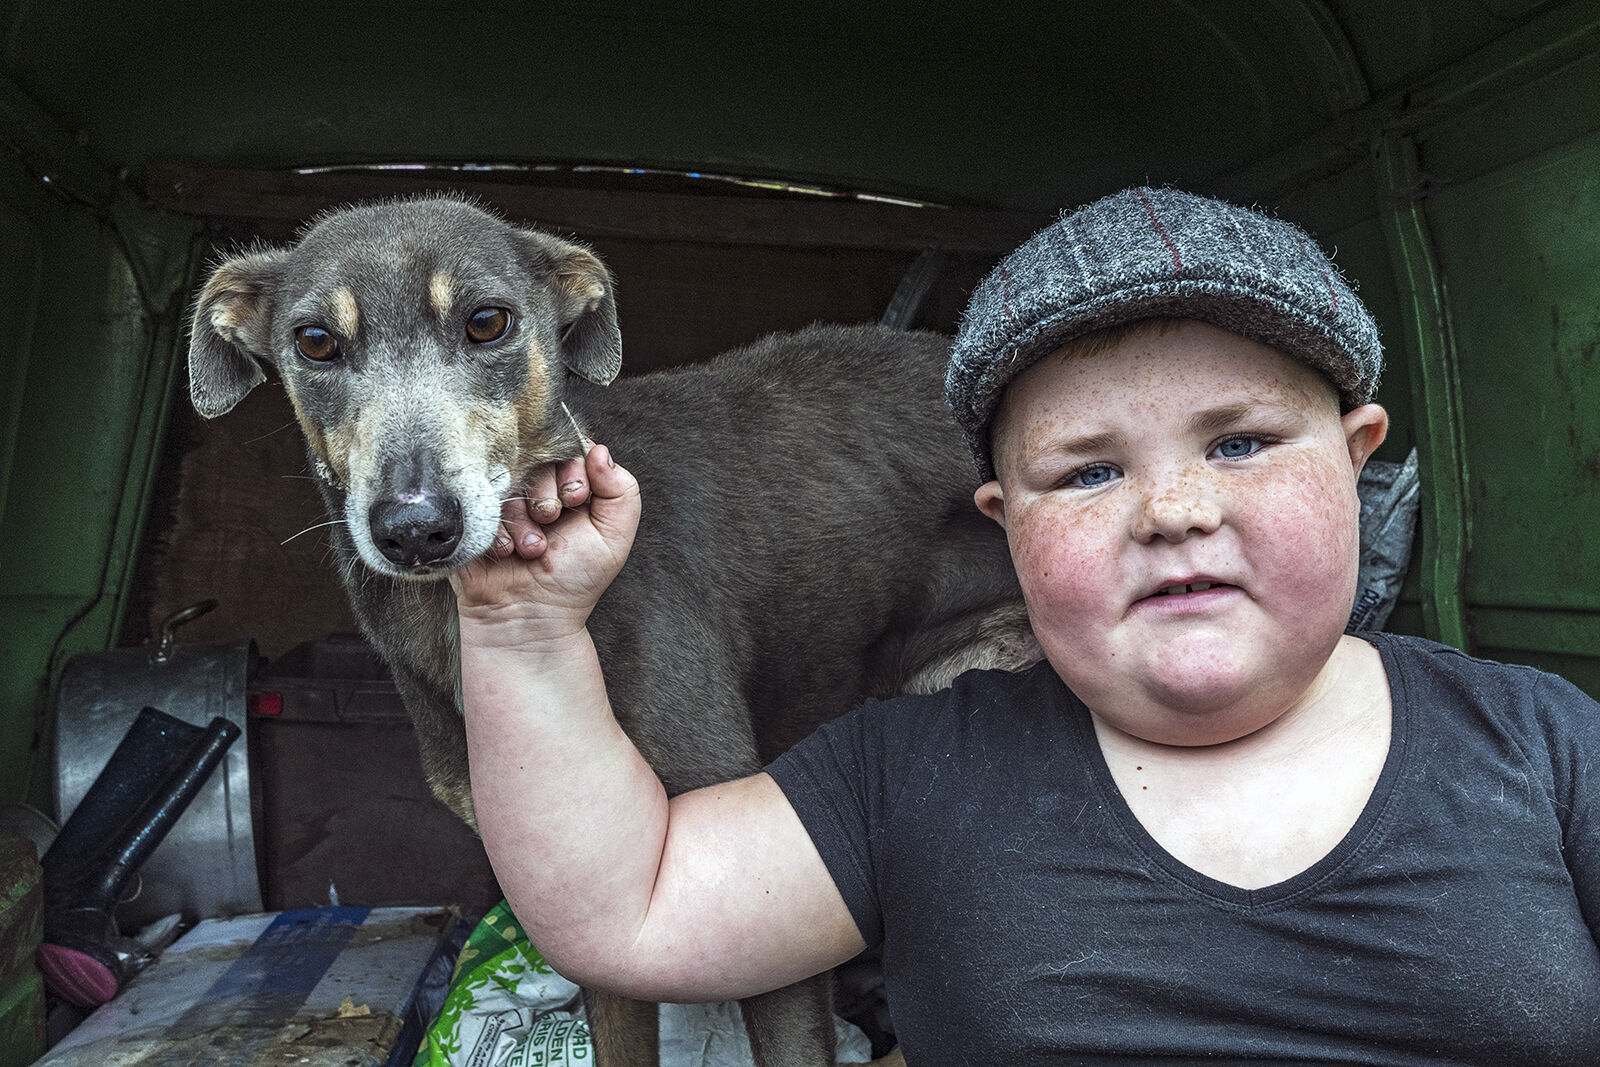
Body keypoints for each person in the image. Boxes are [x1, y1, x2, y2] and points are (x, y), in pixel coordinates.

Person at [451, 187, 1600, 1064]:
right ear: (1000, 524)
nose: (1175, 510)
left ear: (1356, 463)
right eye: (1088, 471)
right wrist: (523, 631)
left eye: (1240, 442)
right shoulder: (913, 769)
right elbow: (625, 910)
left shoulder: (1541, 745)